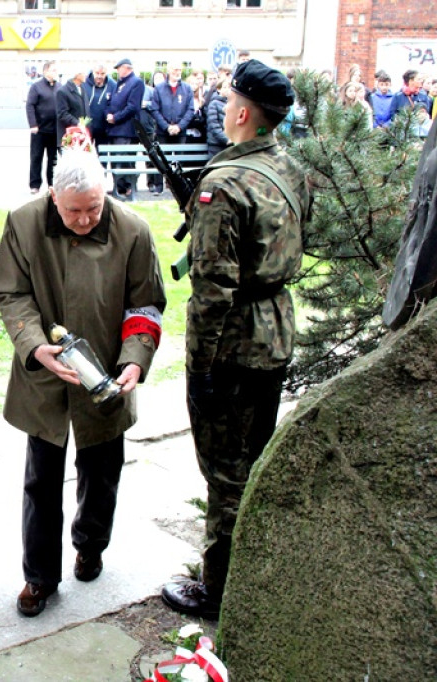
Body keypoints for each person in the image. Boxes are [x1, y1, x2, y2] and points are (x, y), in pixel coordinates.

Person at [161, 59, 311, 619]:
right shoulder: (290, 168)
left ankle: (219, 590)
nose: (224, 109)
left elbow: (212, 289)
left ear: (244, 112)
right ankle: (248, 569)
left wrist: (199, 368)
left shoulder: (221, 185)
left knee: (224, 470)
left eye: (228, 101)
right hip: (275, 331)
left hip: (233, 345)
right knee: (252, 459)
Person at [0, 147, 165, 618]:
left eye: (94, 207)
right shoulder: (24, 223)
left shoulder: (132, 230)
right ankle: (39, 576)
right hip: (45, 376)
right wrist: (33, 344)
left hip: (107, 376)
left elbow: (146, 305)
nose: (87, 219)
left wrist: (134, 360)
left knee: (102, 471)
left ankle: (91, 545)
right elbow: (10, 292)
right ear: (53, 197)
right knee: (41, 480)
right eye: (74, 210)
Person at [148, 63, 195, 194]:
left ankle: (178, 188)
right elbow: (155, 109)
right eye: (175, 69)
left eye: (180, 69)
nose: (177, 72)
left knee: (179, 160)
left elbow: (190, 110)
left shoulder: (187, 89)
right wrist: (166, 126)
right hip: (163, 132)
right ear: (169, 70)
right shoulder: (159, 88)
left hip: (181, 131)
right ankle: (159, 186)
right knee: (162, 159)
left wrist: (179, 126)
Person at [105, 58, 144, 200]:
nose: (117, 71)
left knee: (125, 160)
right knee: (115, 161)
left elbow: (133, 106)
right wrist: (108, 114)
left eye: (119, 68)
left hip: (126, 130)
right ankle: (118, 187)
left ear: (127, 68)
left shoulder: (136, 83)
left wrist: (116, 117)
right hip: (114, 129)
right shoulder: (118, 84)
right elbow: (109, 102)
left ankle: (127, 188)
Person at [26, 61, 60, 194]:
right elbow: (30, 106)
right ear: (45, 71)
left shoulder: (59, 87)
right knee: (36, 157)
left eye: (56, 70)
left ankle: (52, 184)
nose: (55, 73)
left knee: (53, 159)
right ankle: (35, 185)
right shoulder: (36, 87)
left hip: (55, 130)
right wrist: (33, 124)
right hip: (39, 130)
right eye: (53, 70)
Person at [82, 63, 115, 149]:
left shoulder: (112, 85)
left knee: (102, 157)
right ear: (92, 72)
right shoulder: (83, 84)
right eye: (97, 73)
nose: (99, 76)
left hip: (104, 128)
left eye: (102, 74)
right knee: (85, 155)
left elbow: (114, 104)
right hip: (86, 127)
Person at [56, 68, 87, 149]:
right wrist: (77, 123)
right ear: (77, 75)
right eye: (83, 73)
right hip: (68, 136)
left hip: (81, 135)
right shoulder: (62, 91)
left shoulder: (83, 89)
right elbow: (62, 113)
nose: (86, 75)